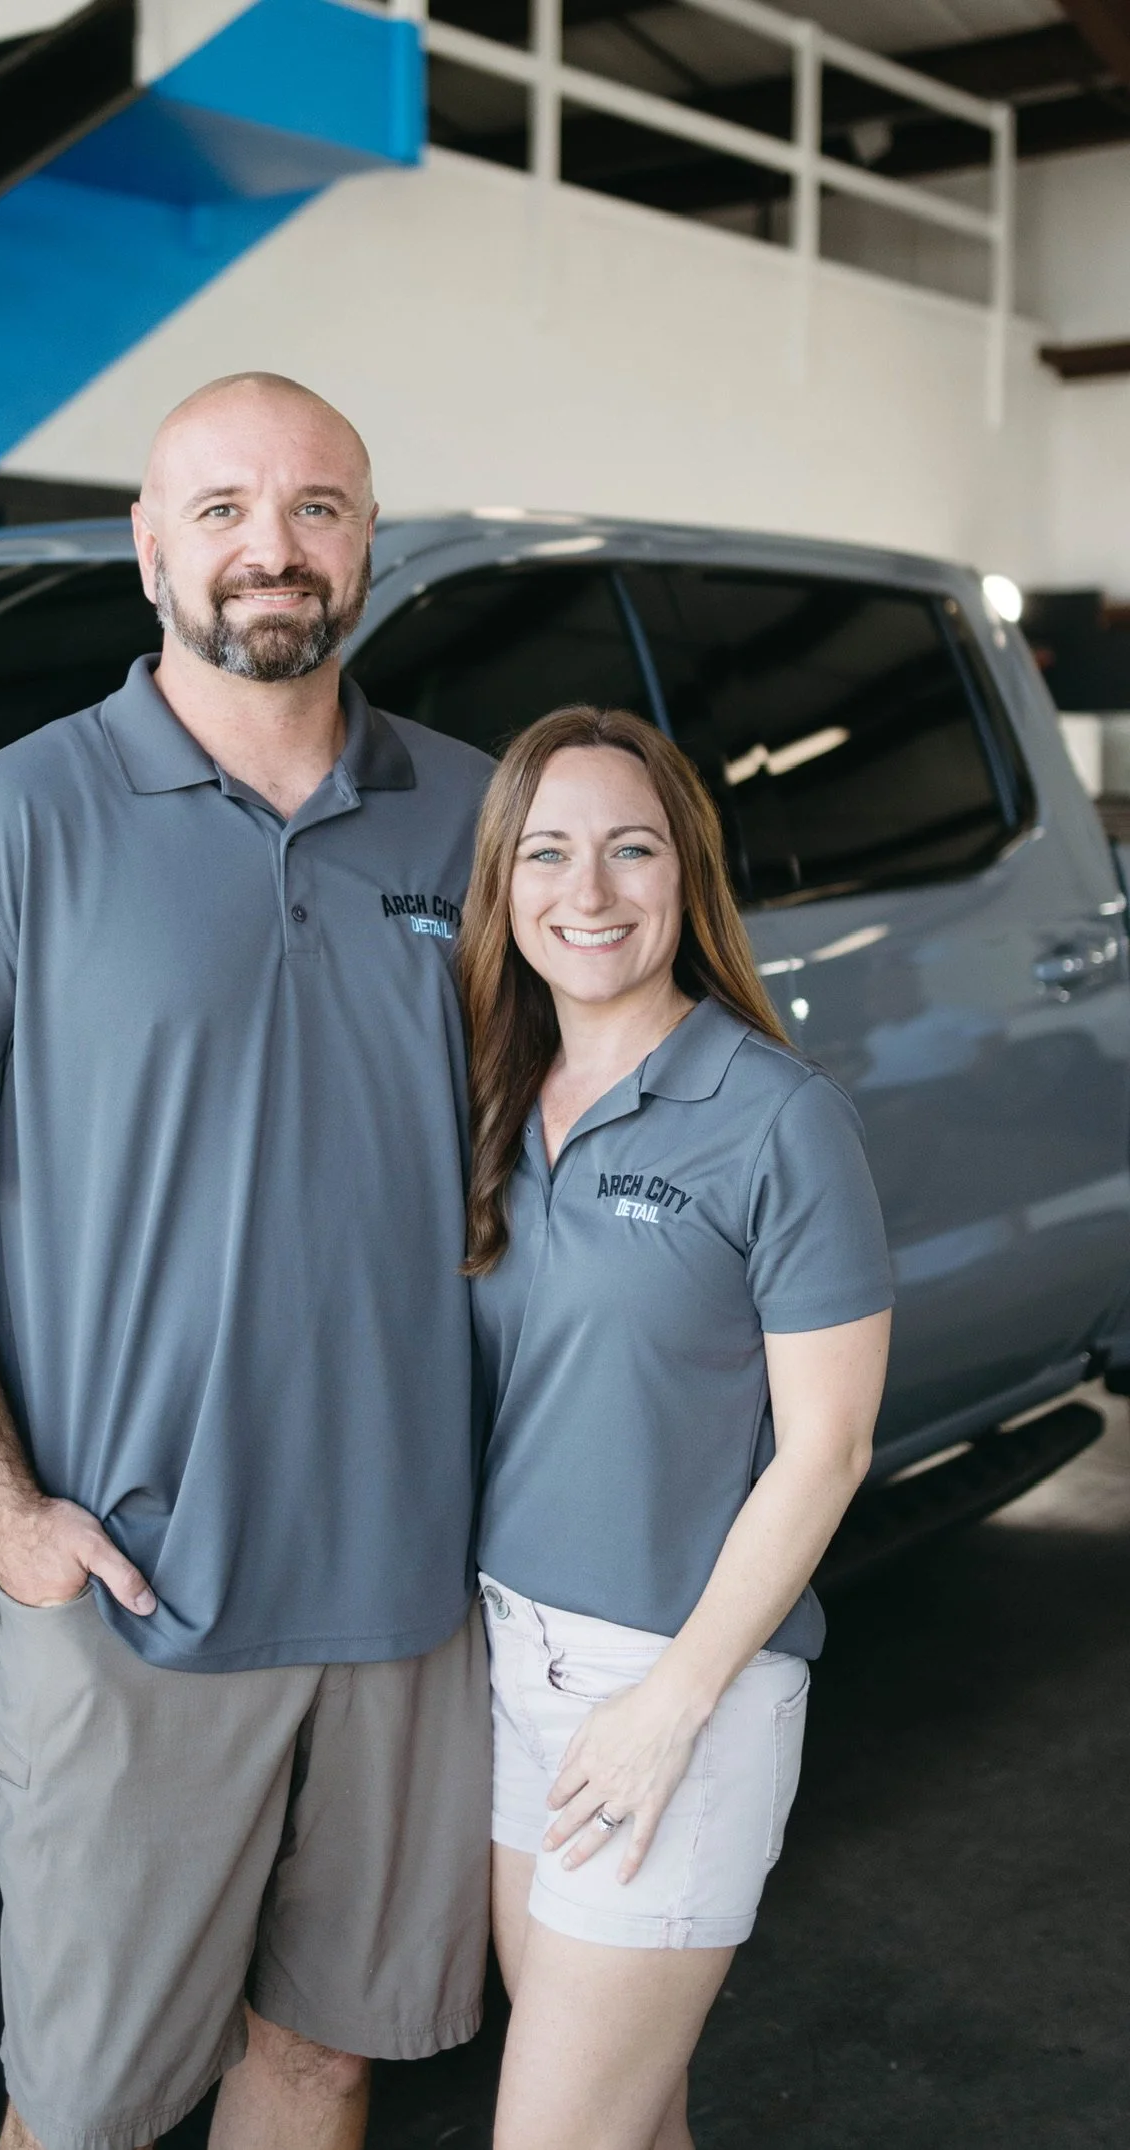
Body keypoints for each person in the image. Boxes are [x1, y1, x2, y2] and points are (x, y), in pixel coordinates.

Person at [0, 373, 494, 2150]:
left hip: (418, 1590)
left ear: (368, 540)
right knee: (91, 2106)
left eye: (316, 509)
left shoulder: (482, 826)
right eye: (222, 511)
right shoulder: (4, 827)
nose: (271, 550)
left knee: (324, 2052)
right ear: (147, 547)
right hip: (134, 1597)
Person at [458, 705, 893, 2150]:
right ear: (504, 884)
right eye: (551, 853)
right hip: (512, 1660)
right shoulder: (496, 1097)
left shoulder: (777, 1120)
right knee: (632, 2119)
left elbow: (826, 1451)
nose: (589, 894)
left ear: (686, 874)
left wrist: (667, 1706)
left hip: (671, 1686)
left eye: (631, 849)